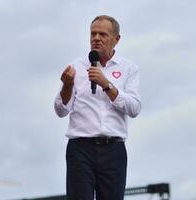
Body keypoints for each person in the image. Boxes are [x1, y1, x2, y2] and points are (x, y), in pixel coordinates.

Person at [54, 15, 141, 200]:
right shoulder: (75, 67)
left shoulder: (129, 68)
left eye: (103, 34)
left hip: (113, 150)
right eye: (93, 34)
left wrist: (107, 84)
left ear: (116, 39)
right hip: (80, 149)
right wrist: (67, 86)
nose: (96, 38)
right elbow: (61, 110)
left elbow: (134, 108)